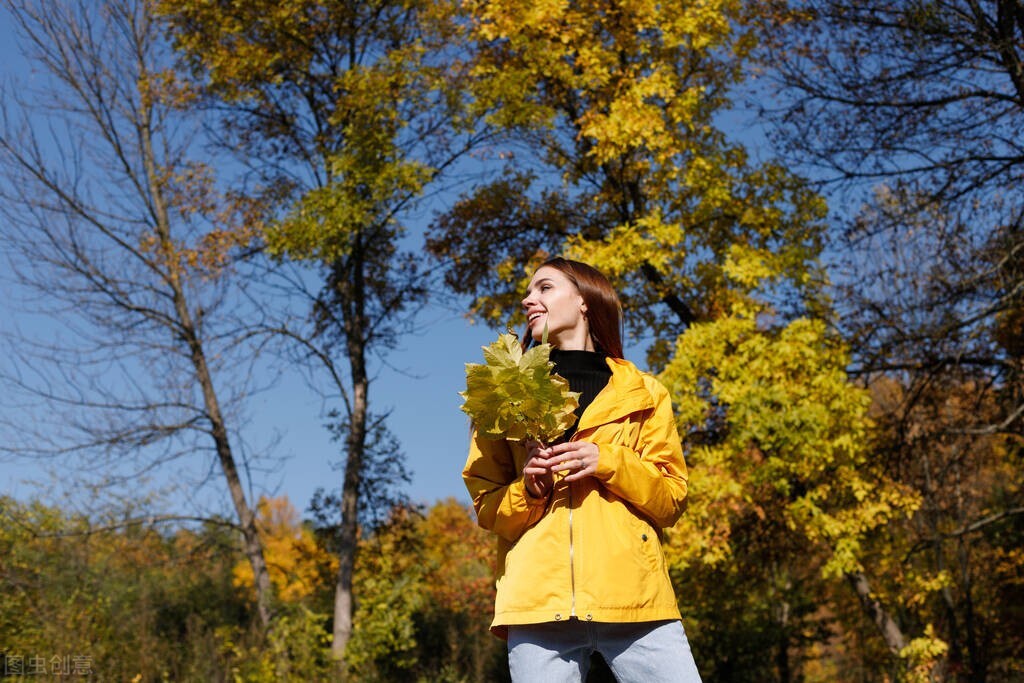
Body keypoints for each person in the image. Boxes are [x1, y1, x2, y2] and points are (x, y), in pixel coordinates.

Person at [463, 257, 702, 682]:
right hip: (537, 603)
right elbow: (487, 505)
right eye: (529, 291)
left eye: (544, 288)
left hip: (636, 598)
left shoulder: (644, 393)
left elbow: (671, 498)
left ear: (585, 300)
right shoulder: (502, 392)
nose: (528, 299)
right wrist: (529, 490)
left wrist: (607, 460)